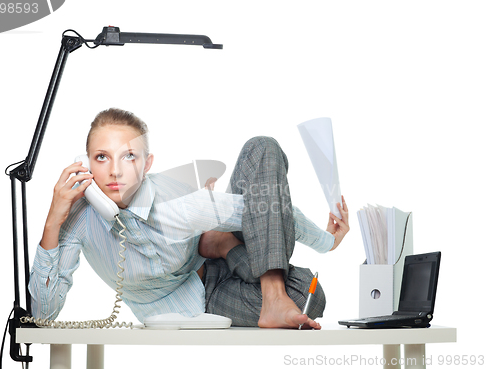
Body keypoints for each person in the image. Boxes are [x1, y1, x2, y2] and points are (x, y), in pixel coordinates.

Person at [29, 108, 349, 329]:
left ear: (147, 163)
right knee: (310, 293)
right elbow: (44, 315)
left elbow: (265, 205)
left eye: (129, 156)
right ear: (86, 163)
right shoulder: (79, 219)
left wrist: (327, 241)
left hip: (223, 259)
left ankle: (266, 289)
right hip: (201, 298)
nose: (114, 170)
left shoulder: (174, 196)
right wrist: (54, 220)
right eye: (102, 157)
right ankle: (225, 247)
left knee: (262, 147)